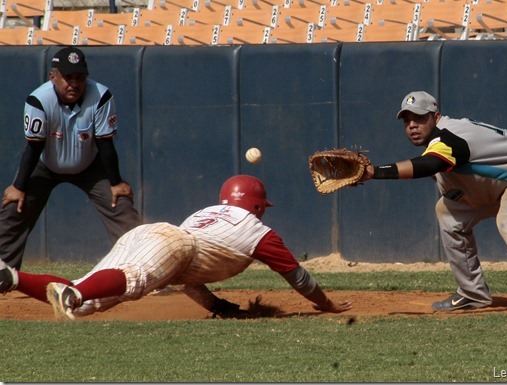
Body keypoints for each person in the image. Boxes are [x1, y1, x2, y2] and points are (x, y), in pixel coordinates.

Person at [0, 175, 352, 320]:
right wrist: (327, 304)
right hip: (174, 244)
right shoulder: (259, 231)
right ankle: (74, 292)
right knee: (127, 280)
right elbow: (299, 277)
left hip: (152, 234)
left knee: (85, 301)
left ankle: (13, 278)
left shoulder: (207, 213)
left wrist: (219, 307)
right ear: (259, 206)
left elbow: (186, 273)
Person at [362, 91, 507, 313]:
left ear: (436, 117)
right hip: (500, 184)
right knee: (447, 212)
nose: (412, 125)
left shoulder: (449, 136)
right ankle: (472, 293)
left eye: (420, 118)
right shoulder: (438, 140)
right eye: (407, 120)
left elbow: (430, 164)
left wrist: (374, 172)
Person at [0, 46, 141, 270]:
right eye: (67, 77)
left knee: (121, 206)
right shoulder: (38, 100)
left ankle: (144, 267)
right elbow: (33, 148)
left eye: (80, 77)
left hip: (90, 165)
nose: (74, 84)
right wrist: (19, 186)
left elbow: (106, 145)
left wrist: (116, 183)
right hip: (45, 164)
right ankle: (2, 272)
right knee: (14, 207)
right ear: (53, 77)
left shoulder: (101, 96)